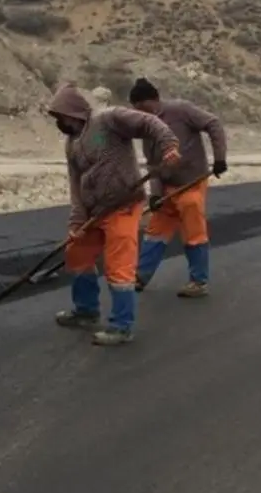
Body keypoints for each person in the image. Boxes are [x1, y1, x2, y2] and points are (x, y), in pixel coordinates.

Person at [47, 83, 181, 346]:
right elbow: (75, 181)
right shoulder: (72, 143)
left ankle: (122, 326)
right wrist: (77, 218)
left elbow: (149, 123)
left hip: (123, 205)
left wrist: (168, 145)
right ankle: (86, 310)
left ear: (71, 111)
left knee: (118, 265)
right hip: (93, 211)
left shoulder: (108, 119)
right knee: (77, 253)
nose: (57, 122)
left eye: (59, 116)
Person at [127, 78, 227, 298]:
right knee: (155, 232)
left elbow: (214, 124)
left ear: (153, 100)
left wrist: (219, 158)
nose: (142, 113)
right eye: (137, 110)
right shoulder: (147, 127)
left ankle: (198, 282)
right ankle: (140, 276)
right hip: (167, 187)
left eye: (143, 108)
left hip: (191, 183)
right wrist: (154, 194)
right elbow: (154, 165)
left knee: (193, 231)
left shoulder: (181, 110)